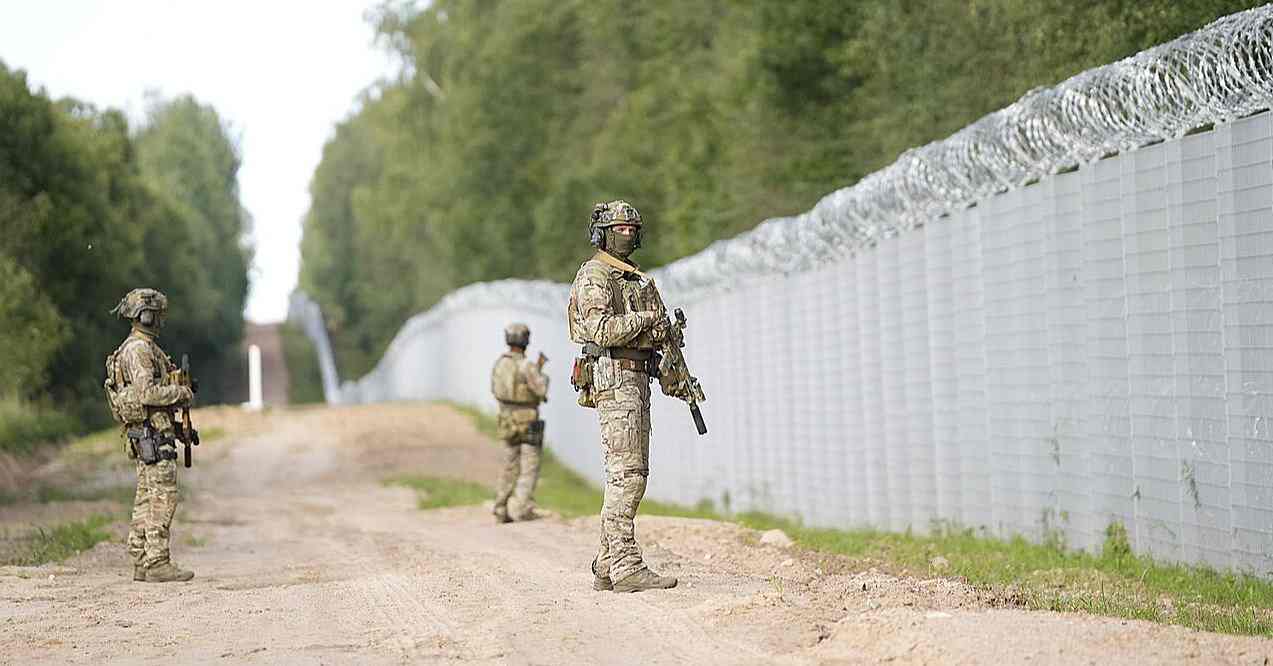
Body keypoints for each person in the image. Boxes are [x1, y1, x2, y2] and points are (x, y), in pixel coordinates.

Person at [568, 200, 677, 593]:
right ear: (603, 234)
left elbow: (657, 335)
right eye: (619, 230)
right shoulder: (595, 276)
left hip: (636, 378)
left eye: (632, 230)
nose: (627, 235)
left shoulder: (634, 279)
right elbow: (601, 331)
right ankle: (628, 566)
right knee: (627, 476)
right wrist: (645, 320)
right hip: (615, 378)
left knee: (632, 473)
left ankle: (605, 563)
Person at [103, 288, 196, 583]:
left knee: (146, 496)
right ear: (145, 315)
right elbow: (147, 393)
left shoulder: (137, 347)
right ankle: (156, 562)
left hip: (147, 432)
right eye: (157, 315)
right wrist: (181, 393)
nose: (160, 320)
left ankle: (142, 560)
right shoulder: (140, 350)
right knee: (163, 495)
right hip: (152, 433)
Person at [490, 323, 550, 523]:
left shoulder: (500, 364)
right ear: (525, 341)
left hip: (507, 419)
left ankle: (500, 508)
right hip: (528, 420)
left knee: (509, 465)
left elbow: (496, 390)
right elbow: (541, 390)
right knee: (529, 466)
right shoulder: (527, 366)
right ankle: (522, 509)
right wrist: (541, 371)